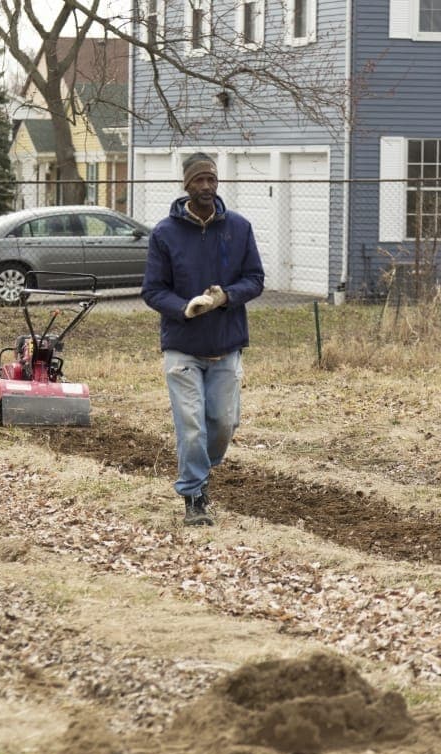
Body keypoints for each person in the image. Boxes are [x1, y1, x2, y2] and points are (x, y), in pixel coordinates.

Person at [142, 152, 265, 527]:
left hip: (226, 344)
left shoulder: (239, 228)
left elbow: (255, 279)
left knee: (223, 423)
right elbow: (152, 290)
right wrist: (185, 308)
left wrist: (225, 296)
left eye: (212, 179)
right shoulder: (165, 233)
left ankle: (200, 468)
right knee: (192, 425)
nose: (207, 187)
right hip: (182, 346)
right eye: (199, 181)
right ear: (186, 185)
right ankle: (194, 495)